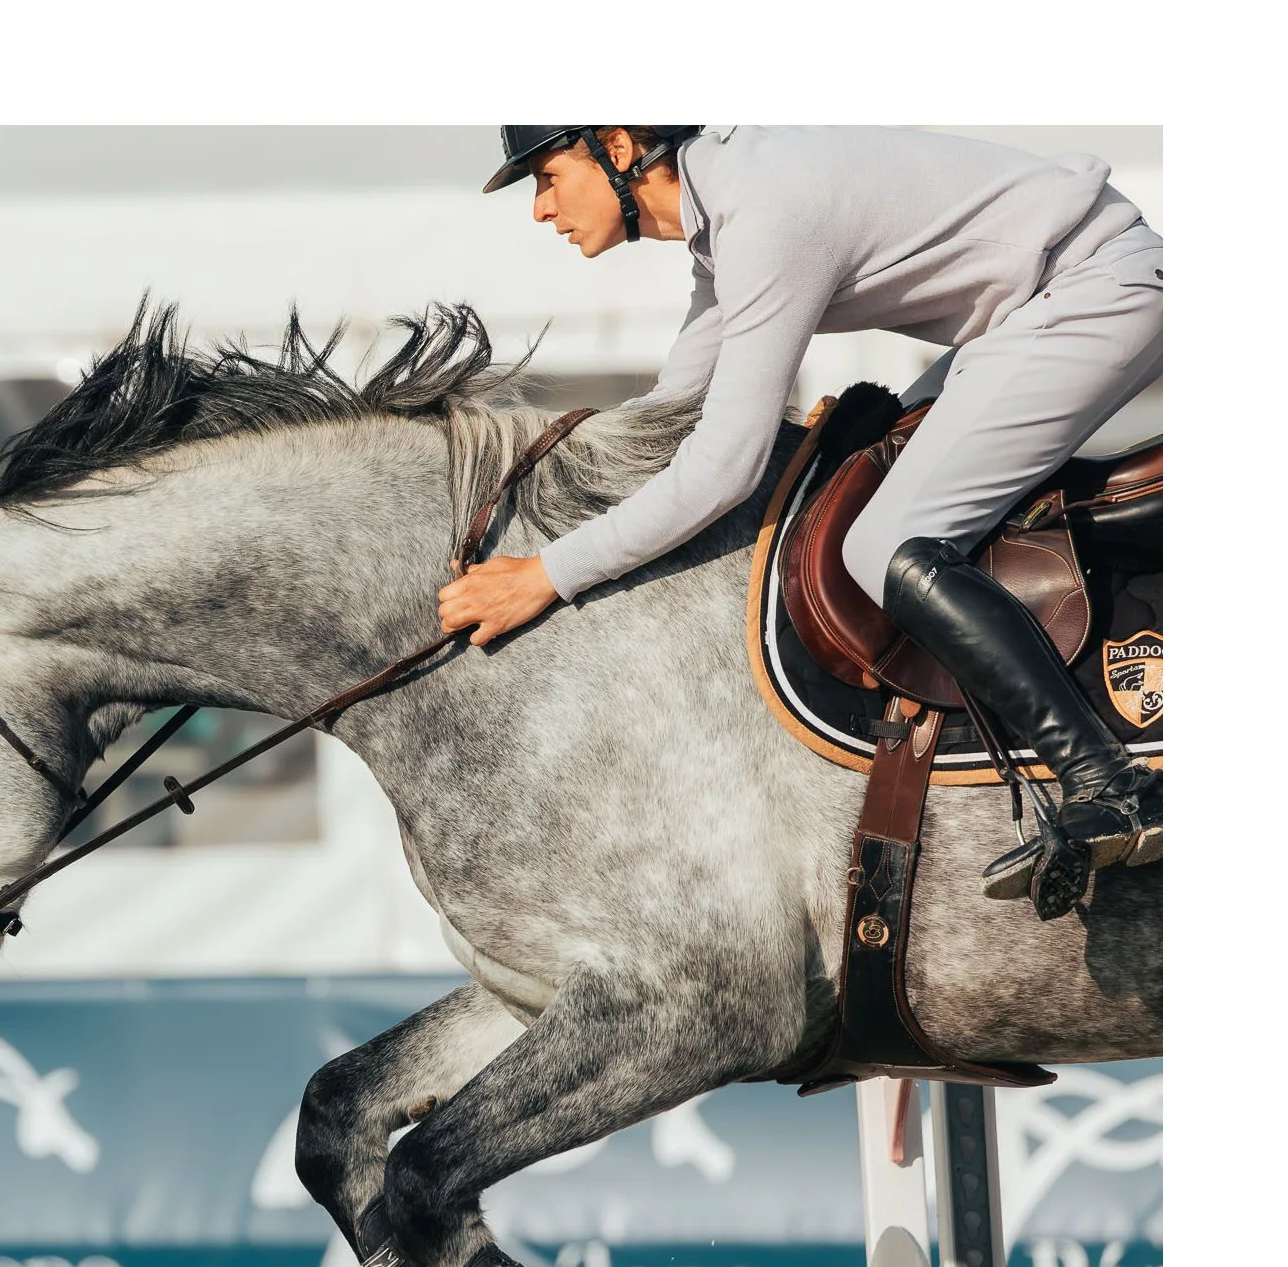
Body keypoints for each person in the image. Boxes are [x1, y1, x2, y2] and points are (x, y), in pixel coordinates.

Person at [440, 125, 1162, 919]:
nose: (542, 209)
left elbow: (722, 467)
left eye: (546, 176)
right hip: (1040, 307)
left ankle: (1113, 785)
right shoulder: (727, 219)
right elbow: (670, 414)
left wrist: (548, 577)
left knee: (884, 542)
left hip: (1092, 294)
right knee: (866, 474)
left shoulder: (761, 214)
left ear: (615, 147)